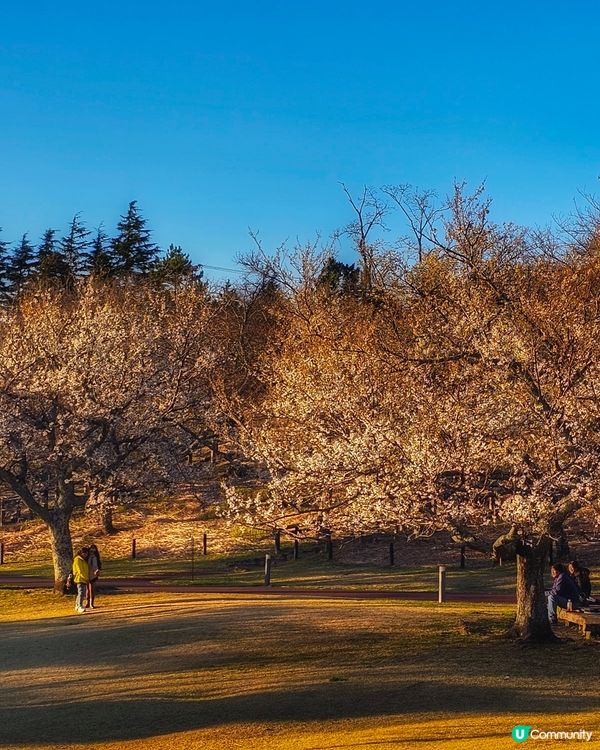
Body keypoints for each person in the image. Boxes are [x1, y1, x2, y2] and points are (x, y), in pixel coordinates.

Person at [72, 547, 90, 614]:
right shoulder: (78, 560)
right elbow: (80, 570)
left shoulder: (83, 560)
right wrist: (85, 578)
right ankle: (79, 606)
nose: (85, 554)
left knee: (81, 592)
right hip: (80, 578)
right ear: (81, 553)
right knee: (81, 593)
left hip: (83, 579)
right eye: (84, 553)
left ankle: (77, 605)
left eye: (86, 553)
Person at [87, 543, 102, 609]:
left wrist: (97, 571)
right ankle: (87, 602)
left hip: (94, 574)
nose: (92, 552)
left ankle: (91, 603)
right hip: (87, 574)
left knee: (92, 589)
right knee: (87, 590)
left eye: (94, 551)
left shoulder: (96, 558)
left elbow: (98, 566)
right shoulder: (87, 557)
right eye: (91, 551)